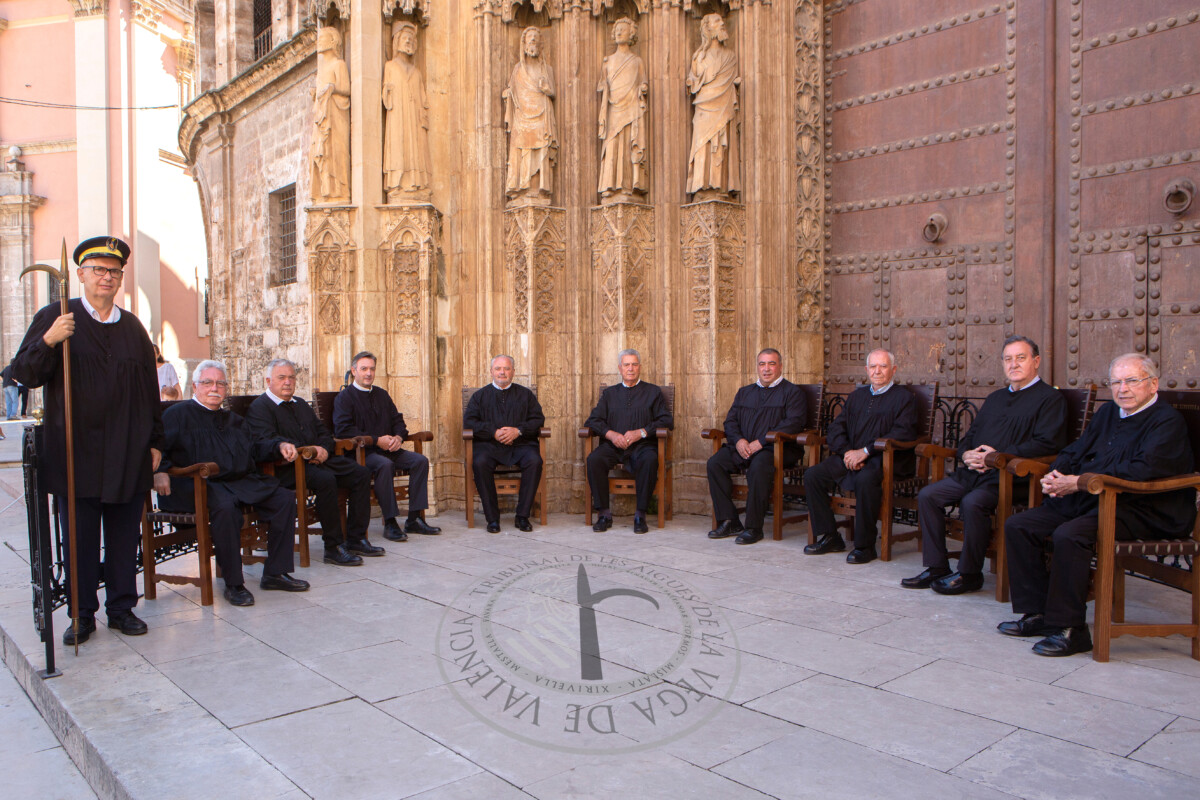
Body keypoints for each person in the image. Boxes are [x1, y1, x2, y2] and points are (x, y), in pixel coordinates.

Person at [11, 235, 163, 644]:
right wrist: (48, 341)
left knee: (123, 536)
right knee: (78, 539)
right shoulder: (56, 316)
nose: (107, 277)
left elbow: (151, 392)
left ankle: (121, 608)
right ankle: (81, 615)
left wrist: (156, 443)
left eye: (114, 271)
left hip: (127, 453)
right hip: (76, 454)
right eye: (98, 269)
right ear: (80, 274)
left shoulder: (132, 327)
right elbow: (21, 374)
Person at [1000, 353, 1196, 657]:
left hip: (1147, 509)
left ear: (1153, 384)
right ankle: (1037, 614)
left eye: (1132, 380)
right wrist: (1059, 473)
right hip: (1097, 498)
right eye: (1116, 382)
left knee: (1070, 534)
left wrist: (1079, 482)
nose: (1123, 389)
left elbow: (1143, 471)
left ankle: (1070, 629)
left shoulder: (1166, 421)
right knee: (1020, 525)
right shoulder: (1108, 413)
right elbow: (1077, 448)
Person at [902, 335, 1069, 594]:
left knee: (973, 503)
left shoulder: (1050, 399)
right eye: (1008, 359)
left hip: (1015, 478)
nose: (1013, 364)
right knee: (929, 495)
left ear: (1036, 362)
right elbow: (972, 435)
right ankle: (937, 567)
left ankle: (969, 573)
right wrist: (967, 454)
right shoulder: (995, 398)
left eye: (1020, 358)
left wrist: (997, 457)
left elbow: (1048, 444)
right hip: (975, 473)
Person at [155, 360, 309, 607]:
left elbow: (256, 447)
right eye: (207, 382)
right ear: (195, 386)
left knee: (282, 498)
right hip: (195, 484)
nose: (214, 388)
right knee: (226, 507)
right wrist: (160, 471)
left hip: (238, 481)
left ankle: (275, 573)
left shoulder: (234, 420)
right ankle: (234, 583)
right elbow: (157, 448)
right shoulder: (177, 415)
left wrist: (278, 445)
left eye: (220, 383)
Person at [245, 358, 385, 566]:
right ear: (268, 381)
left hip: (317, 461)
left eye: (291, 378)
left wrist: (323, 450)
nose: (287, 382)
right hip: (285, 469)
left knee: (360, 473)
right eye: (281, 378)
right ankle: (333, 547)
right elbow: (268, 442)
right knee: (326, 480)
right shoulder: (260, 408)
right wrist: (308, 451)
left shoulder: (300, 404)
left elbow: (324, 434)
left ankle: (356, 539)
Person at [803, 349, 919, 563]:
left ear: (893, 370)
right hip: (851, 455)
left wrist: (865, 452)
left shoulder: (904, 398)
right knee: (813, 475)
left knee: (866, 479)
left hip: (884, 459)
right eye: (873, 366)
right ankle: (830, 536)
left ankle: (865, 546)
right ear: (866, 370)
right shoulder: (857, 396)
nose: (877, 371)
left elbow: (903, 432)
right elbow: (837, 428)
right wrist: (848, 452)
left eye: (883, 366)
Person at [333, 351, 439, 541]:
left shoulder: (381, 394)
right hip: (362, 454)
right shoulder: (345, 398)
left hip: (389, 450)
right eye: (364, 369)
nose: (368, 373)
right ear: (354, 371)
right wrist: (376, 440)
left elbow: (398, 421)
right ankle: (390, 522)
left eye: (372, 369)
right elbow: (343, 430)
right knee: (384, 465)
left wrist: (398, 437)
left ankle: (414, 519)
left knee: (420, 461)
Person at [707, 348, 808, 545]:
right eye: (762, 364)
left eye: (771, 364)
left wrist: (761, 441)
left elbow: (794, 423)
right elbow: (730, 422)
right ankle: (730, 520)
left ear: (780, 366)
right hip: (744, 447)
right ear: (757, 367)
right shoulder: (745, 392)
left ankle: (753, 527)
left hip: (776, 449)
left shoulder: (793, 392)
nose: (767, 369)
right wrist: (739, 441)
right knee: (715, 463)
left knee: (759, 466)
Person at [584, 349, 673, 533]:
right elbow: (593, 420)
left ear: (639, 367)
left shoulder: (653, 392)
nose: (630, 368)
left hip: (642, 446)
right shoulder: (609, 394)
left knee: (649, 460)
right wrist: (611, 435)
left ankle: (640, 515)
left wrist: (640, 432)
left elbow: (666, 420)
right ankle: (604, 514)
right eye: (626, 365)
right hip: (613, 446)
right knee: (594, 460)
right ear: (620, 368)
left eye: (634, 364)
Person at [464, 355, 545, 533]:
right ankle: (492, 519)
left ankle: (522, 516)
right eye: (498, 369)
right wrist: (493, 432)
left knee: (535, 461)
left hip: (521, 445)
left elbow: (538, 419)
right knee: (479, 462)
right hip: (489, 446)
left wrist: (518, 430)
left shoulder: (525, 395)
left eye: (507, 369)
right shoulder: (479, 396)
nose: (502, 372)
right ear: (491, 371)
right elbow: (469, 422)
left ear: (513, 372)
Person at [687, 13, 740, 197]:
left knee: (721, 144)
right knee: (703, 145)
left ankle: (719, 185)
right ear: (708, 28)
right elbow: (693, 81)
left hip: (723, 105)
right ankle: (702, 186)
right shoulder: (699, 57)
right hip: (704, 108)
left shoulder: (730, 56)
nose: (722, 23)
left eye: (722, 20)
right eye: (717, 21)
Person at [503, 26, 557, 200]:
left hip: (541, 115)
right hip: (523, 118)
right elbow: (512, 90)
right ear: (524, 44)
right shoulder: (518, 69)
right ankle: (524, 187)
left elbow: (552, 92)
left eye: (535, 37)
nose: (532, 40)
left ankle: (540, 187)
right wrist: (508, 95)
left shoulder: (547, 70)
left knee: (541, 149)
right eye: (529, 38)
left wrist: (547, 90)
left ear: (540, 44)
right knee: (523, 150)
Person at [597, 16, 648, 200]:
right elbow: (603, 84)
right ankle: (610, 184)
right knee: (612, 145)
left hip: (631, 107)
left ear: (631, 34)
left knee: (628, 143)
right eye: (617, 29)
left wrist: (643, 89)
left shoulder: (636, 61)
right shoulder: (607, 62)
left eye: (623, 29)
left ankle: (627, 184)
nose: (619, 32)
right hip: (613, 108)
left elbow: (643, 82)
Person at [382, 21, 432, 201]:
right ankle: (397, 184)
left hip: (413, 118)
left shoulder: (417, 72)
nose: (409, 42)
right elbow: (386, 98)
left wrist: (423, 116)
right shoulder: (390, 66)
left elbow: (423, 100)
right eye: (405, 38)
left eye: (411, 39)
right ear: (396, 41)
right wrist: (387, 92)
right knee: (398, 149)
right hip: (398, 117)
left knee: (415, 150)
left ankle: (415, 183)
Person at [311, 25, 351, 204]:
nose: (319, 40)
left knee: (336, 152)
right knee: (323, 153)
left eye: (324, 37)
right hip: (323, 118)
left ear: (333, 41)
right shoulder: (322, 69)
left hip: (335, 117)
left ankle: (339, 191)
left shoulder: (339, 64)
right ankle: (326, 190)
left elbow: (346, 90)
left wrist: (332, 89)